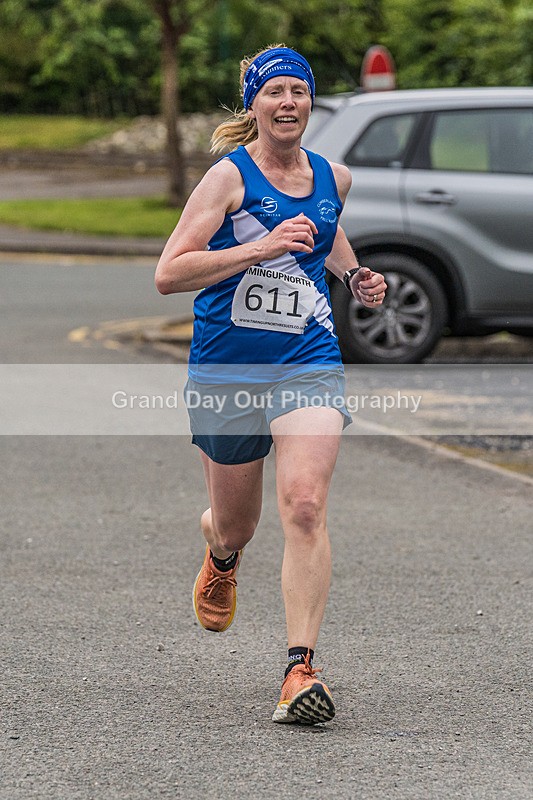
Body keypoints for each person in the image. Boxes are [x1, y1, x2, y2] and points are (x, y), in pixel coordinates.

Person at [155, 44, 387, 725]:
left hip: (306, 358)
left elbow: (324, 230)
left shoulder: (330, 176)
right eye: (275, 91)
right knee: (238, 522)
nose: (288, 102)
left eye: (299, 91)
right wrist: (257, 246)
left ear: (310, 102)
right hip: (227, 367)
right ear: (254, 104)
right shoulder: (226, 180)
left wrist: (352, 275)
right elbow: (169, 272)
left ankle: (298, 670)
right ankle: (220, 554)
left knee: (306, 504)